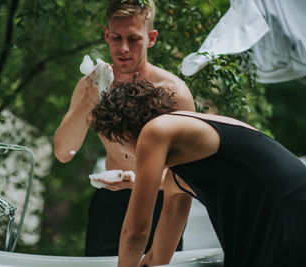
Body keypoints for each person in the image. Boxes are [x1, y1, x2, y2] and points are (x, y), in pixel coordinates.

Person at [91, 79, 306, 267]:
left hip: (297, 223)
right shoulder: (179, 177)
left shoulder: (156, 130)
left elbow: (135, 232)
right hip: (295, 223)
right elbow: (158, 258)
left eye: (117, 145)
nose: (125, 156)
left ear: (121, 133)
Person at [53, 0, 195, 256]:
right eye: (116, 38)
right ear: (106, 34)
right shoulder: (89, 85)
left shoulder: (174, 93)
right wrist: (90, 96)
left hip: (161, 203)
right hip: (110, 203)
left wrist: (138, 180)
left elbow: (188, 175)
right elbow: (64, 152)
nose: (123, 48)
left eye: (134, 38)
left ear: (151, 38)